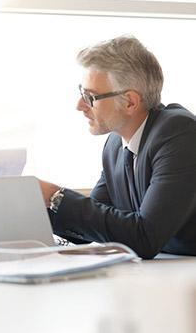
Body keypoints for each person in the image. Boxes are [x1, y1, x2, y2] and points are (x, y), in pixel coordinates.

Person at [39, 35, 196, 259]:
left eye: (90, 96)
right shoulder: (115, 145)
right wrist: (33, 205)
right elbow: (96, 223)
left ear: (130, 102)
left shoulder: (179, 134)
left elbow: (145, 237)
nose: (79, 105)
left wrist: (57, 196)